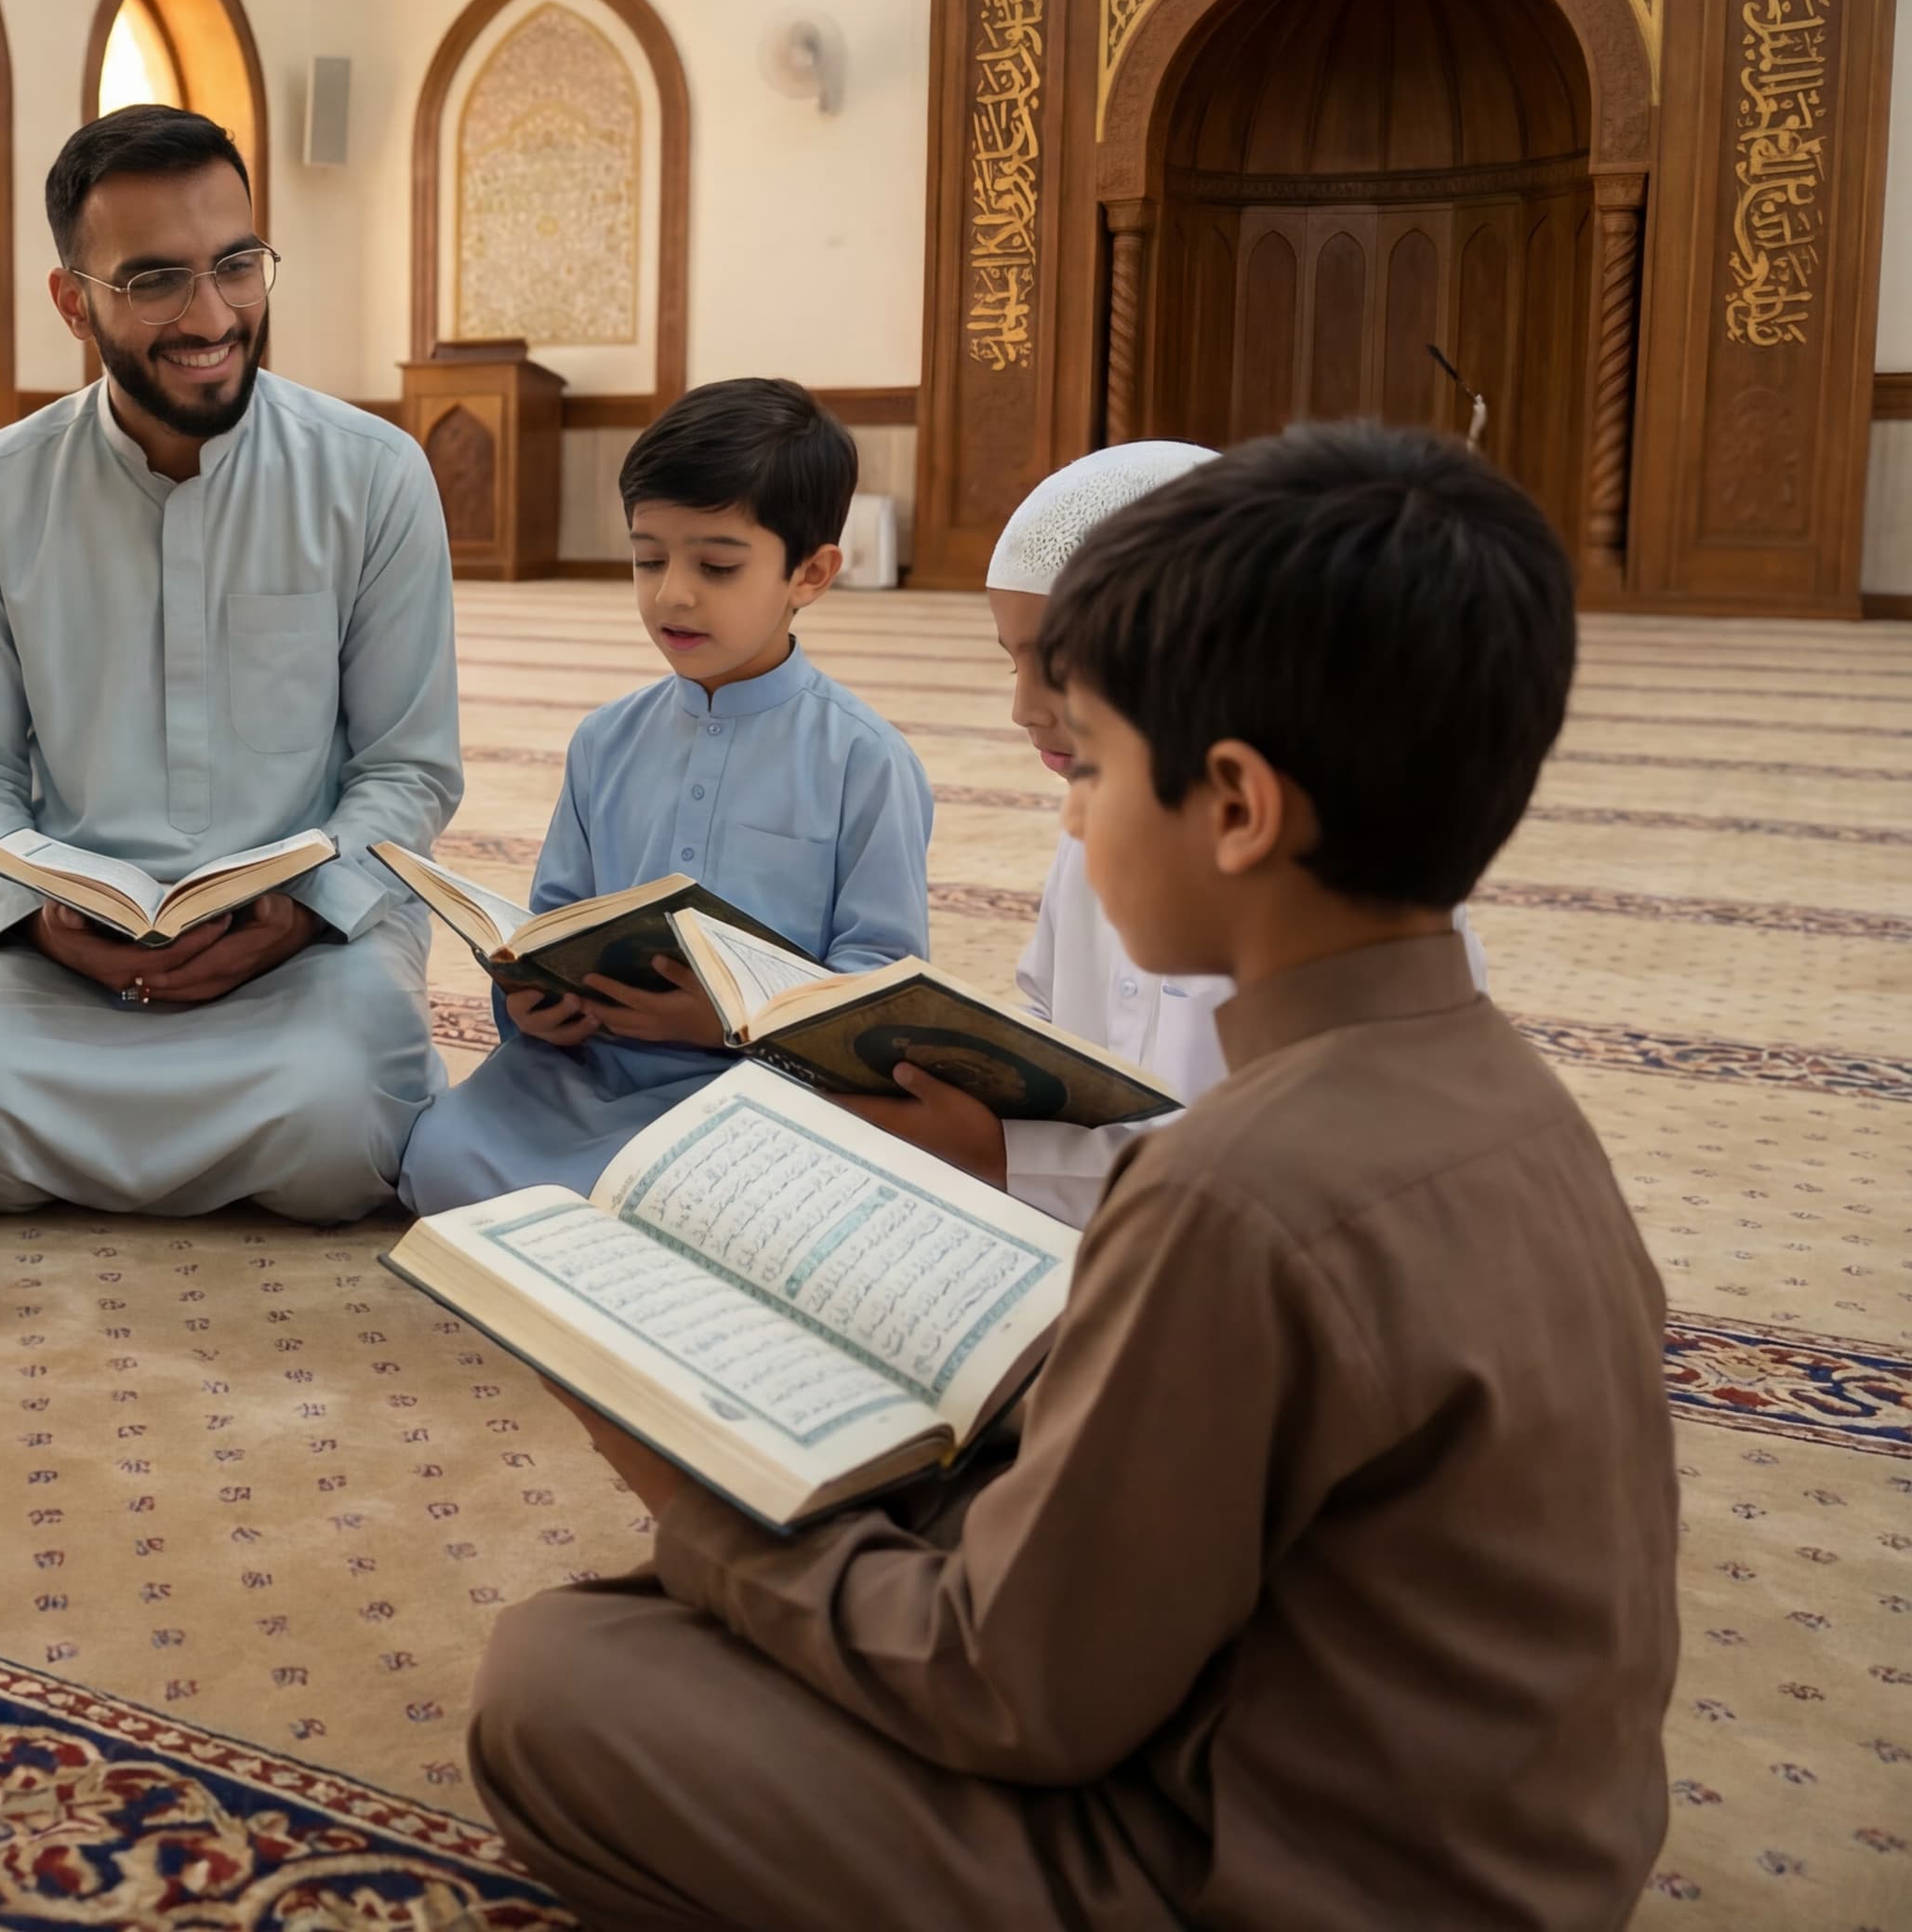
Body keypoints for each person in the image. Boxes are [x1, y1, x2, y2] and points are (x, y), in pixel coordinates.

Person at [467, 423, 1677, 1931]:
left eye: (1091, 763)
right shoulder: (1509, 1096)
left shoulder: (1234, 1192)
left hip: (1274, 1869)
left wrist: (698, 1500)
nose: (1063, 808)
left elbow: (1008, 1688)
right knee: (859, 1539)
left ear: (1235, 805)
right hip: (1469, 1834)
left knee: (565, 1681)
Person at [0, 104, 464, 1219]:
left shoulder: (374, 474)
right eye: (156, 280)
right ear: (75, 300)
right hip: (60, 944)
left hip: (309, 934)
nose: (213, 316)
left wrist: (301, 908)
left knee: (343, 1135)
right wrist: (37, 909)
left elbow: (408, 768)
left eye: (237, 265)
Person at [843, 440, 1482, 1228]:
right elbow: (1048, 1010)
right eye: (1014, 664)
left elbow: (1282, 1168)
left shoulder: (1339, 882)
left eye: (1062, 668)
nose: (1026, 709)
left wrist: (1009, 1158)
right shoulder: (1100, 806)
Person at [396, 380, 930, 1213]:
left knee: (755, 1204)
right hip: (587, 1071)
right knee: (437, 1157)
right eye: (649, 558)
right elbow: (556, 919)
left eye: (716, 565)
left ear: (812, 573)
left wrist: (726, 1021)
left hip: (759, 1096)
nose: (672, 593)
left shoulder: (864, 761)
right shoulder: (605, 741)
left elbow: (877, 984)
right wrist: (533, 1001)